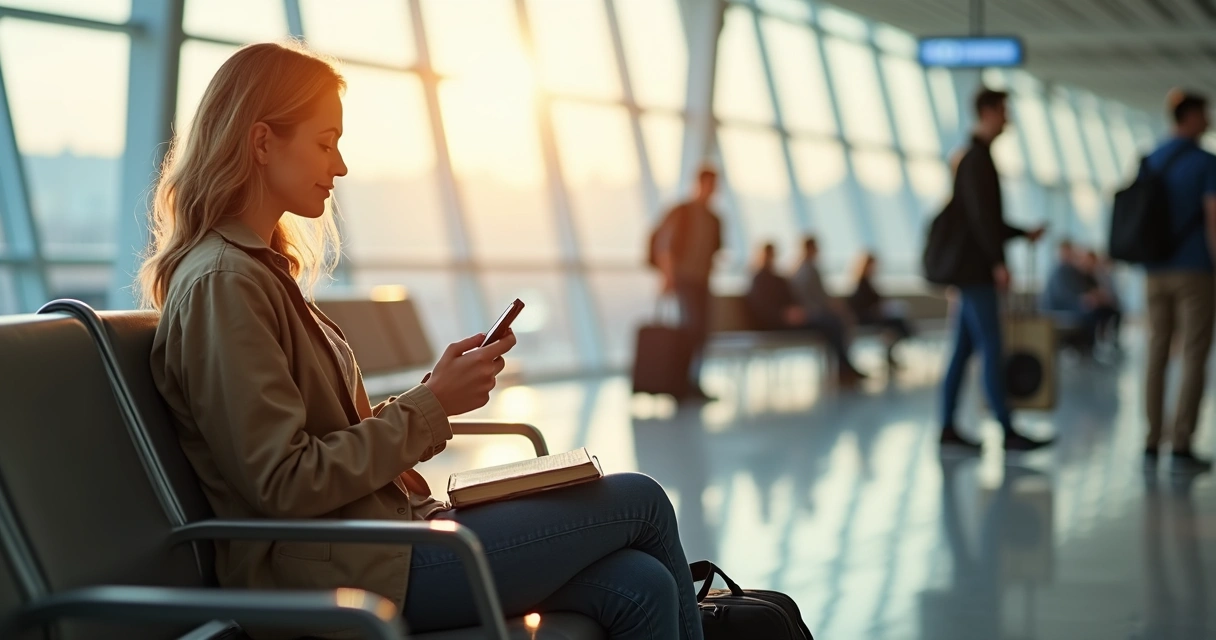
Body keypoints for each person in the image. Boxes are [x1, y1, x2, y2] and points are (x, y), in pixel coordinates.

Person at [139, 42, 705, 640]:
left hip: (368, 544)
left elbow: (316, 445)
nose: (340, 166)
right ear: (261, 143)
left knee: (642, 584)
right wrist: (431, 407)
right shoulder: (226, 284)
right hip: (336, 573)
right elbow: (284, 482)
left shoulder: (255, 273)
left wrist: (433, 392)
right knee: (639, 499)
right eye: (325, 142)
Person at [938, 88, 1051, 453]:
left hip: (972, 270)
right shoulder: (976, 159)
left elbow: (986, 219)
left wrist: (1020, 234)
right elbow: (981, 219)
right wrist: (998, 261)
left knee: (964, 349)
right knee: (992, 345)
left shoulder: (973, 158)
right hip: (975, 272)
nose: (1008, 118)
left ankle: (948, 427)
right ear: (986, 112)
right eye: (1003, 110)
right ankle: (1006, 428)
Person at [1142, 89, 1216, 473]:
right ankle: (1182, 443)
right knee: (1193, 353)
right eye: (1204, 114)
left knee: (1156, 352)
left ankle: (1152, 440)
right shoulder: (1206, 162)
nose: (1208, 120)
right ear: (1189, 117)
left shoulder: (1152, 159)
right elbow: (1212, 218)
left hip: (1154, 271)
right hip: (1194, 271)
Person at [652, 166, 723, 402]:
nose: (711, 190)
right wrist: (668, 277)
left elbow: (715, 251)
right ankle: (679, 383)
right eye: (708, 185)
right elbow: (665, 246)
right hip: (684, 279)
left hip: (703, 281)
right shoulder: (682, 212)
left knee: (701, 331)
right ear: (699, 184)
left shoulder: (715, 218)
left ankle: (692, 382)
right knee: (689, 328)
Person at [790, 236, 866, 385]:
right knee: (837, 323)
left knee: (838, 322)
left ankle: (843, 364)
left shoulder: (800, 268)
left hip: (812, 312)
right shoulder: (808, 269)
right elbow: (819, 297)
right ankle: (844, 365)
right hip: (811, 314)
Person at [848, 252, 914, 369]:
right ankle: (891, 352)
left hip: (874, 317)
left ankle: (890, 353)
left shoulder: (868, 283)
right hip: (867, 319)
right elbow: (862, 305)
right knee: (896, 324)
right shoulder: (862, 284)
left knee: (895, 323)